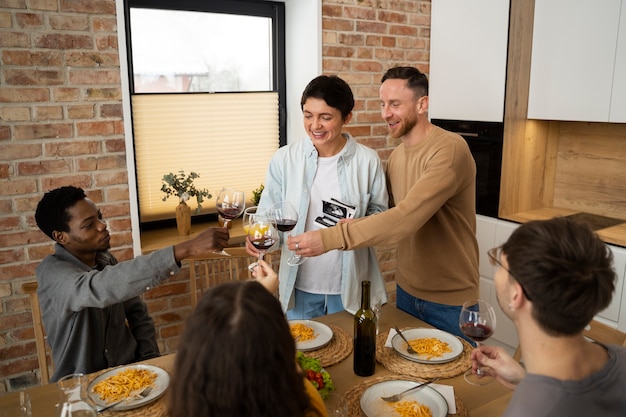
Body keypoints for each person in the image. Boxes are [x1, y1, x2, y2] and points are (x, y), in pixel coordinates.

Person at [288, 66, 478, 339]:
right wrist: (354, 221)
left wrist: (329, 238)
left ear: (422, 104)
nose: (385, 113)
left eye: (395, 104)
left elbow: (405, 219)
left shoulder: (449, 149)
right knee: (409, 378)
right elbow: (383, 217)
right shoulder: (397, 156)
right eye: (383, 104)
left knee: (455, 382)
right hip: (407, 291)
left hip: (450, 300)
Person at [34, 185, 277, 382]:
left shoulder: (106, 259)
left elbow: (137, 314)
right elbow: (100, 287)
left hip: (131, 377)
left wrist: (149, 359)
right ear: (60, 236)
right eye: (88, 224)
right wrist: (185, 248)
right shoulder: (53, 273)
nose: (102, 225)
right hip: (79, 389)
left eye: (99, 216)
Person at [249, 74, 389, 319]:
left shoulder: (368, 161)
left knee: (349, 354)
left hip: (350, 288)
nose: (315, 125)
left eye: (325, 117)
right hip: (299, 287)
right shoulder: (284, 160)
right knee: (301, 356)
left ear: (346, 117)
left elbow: (381, 219)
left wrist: (356, 227)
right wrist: (262, 238)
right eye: (308, 115)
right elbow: (266, 217)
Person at [470, 217, 626, 416]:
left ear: (516, 295)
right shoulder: (621, 358)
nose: (496, 270)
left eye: (500, 264)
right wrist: (523, 378)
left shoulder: (528, 411)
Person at [168, 261, 327, 417]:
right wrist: (261, 302)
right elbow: (290, 367)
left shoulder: (186, 406)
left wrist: (257, 300)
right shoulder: (309, 405)